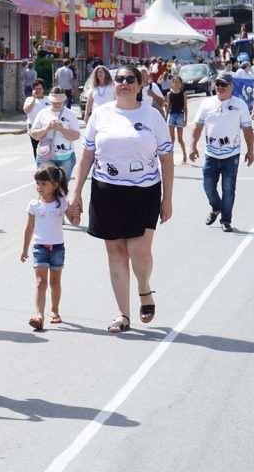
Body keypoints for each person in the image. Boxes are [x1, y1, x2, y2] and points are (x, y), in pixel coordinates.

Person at [69, 65, 174, 333]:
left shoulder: (152, 116)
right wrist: (76, 191)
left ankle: (144, 287)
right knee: (115, 251)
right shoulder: (101, 115)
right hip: (107, 190)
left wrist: (168, 199)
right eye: (120, 80)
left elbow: (166, 159)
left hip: (145, 191)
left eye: (130, 79)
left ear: (140, 85)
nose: (124, 83)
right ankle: (123, 314)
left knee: (139, 251)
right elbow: (87, 156)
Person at [189, 72, 254, 233]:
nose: (220, 87)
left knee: (228, 189)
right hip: (211, 154)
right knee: (208, 186)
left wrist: (250, 151)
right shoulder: (206, 103)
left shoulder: (240, 105)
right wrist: (192, 146)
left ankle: (226, 220)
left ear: (231, 87)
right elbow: (197, 126)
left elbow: (247, 129)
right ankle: (216, 206)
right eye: (218, 84)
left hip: (231, 155)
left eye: (224, 84)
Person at [21, 165, 80, 330]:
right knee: (40, 283)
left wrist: (76, 213)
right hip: (40, 247)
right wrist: (25, 249)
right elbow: (29, 228)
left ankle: (54, 310)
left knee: (55, 282)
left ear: (54, 185)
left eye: (44, 184)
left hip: (57, 248)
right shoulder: (33, 205)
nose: (39, 187)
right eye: (37, 183)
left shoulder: (61, 202)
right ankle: (39, 315)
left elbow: (75, 223)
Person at [29, 87, 80, 180]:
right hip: (46, 156)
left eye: (59, 102)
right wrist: (46, 128)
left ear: (64, 101)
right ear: (50, 100)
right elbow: (34, 135)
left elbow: (76, 136)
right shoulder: (43, 113)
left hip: (66, 157)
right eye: (54, 102)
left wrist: (62, 129)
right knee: (46, 187)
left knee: (61, 189)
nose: (57, 105)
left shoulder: (70, 114)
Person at [23, 79, 51, 158]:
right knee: (37, 150)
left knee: (48, 150)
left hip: (47, 129)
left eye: (40, 88)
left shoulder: (48, 99)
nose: (38, 91)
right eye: (36, 89)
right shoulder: (29, 100)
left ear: (43, 89)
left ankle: (48, 167)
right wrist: (34, 99)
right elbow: (27, 110)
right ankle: (39, 167)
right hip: (35, 130)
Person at [166, 76, 188, 165]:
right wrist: (166, 116)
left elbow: (185, 107)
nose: (177, 84)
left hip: (180, 116)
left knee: (180, 139)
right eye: (175, 82)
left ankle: (185, 156)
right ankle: (171, 158)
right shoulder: (169, 94)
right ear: (172, 84)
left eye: (179, 82)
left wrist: (186, 119)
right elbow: (168, 106)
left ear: (181, 84)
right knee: (171, 139)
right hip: (171, 116)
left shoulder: (183, 94)